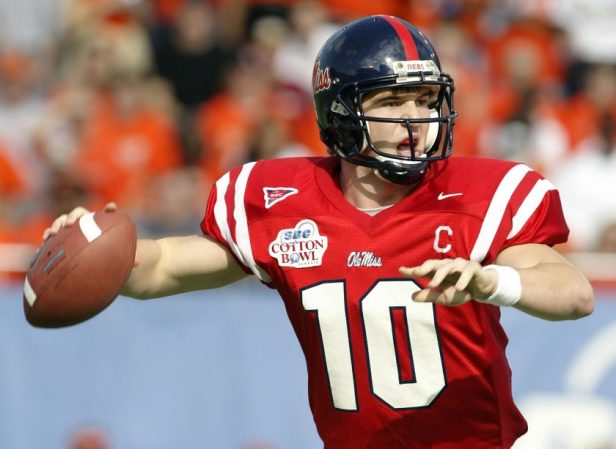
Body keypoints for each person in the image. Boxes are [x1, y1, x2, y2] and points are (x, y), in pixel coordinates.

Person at [43, 15, 595, 449]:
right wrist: (90, 243)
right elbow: (159, 267)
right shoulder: (282, 200)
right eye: (391, 101)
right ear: (340, 114)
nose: (415, 120)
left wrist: (489, 281)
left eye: (425, 101)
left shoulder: (484, 194)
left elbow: (572, 292)